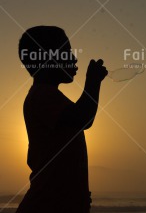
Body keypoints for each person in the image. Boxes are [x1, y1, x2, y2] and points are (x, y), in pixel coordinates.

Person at [16, 25, 108, 213]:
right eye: (65, 52)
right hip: (46, 205)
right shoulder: (42, 96)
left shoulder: (50, 97)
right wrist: (92, 82)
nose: (73, 58)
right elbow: (83, 118)